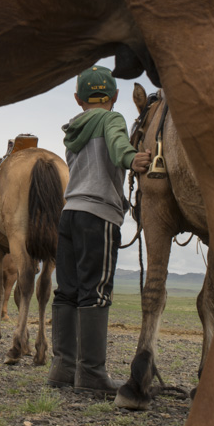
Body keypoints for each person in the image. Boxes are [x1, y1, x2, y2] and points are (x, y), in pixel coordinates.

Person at [46, 65, 151, 394]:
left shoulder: (72, 128)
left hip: (70, 214)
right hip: (98, 216)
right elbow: (119, 145)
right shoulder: (112, 119)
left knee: (67, 290)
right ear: (116, 96)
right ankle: (91, 373)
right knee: (96, 292)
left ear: (78, 99)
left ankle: (63, 368)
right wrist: (132, 159)